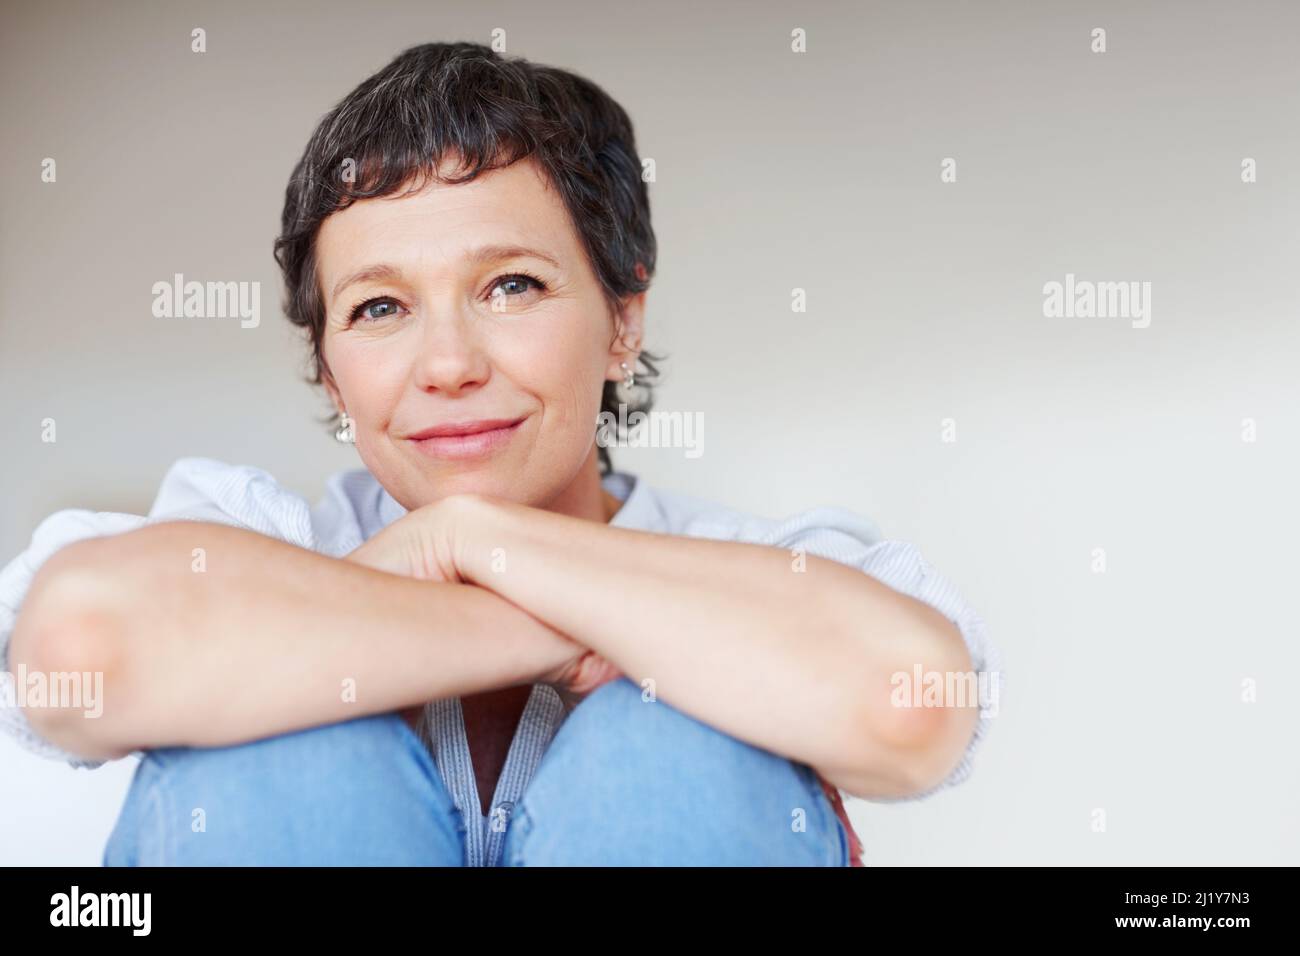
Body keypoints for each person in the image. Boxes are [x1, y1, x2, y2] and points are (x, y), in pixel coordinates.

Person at [0, 41, 1000, 866]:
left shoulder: (761, 571)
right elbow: (80, 653)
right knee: (285, 750)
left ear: (620, 320)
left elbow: (911, 703)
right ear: (329, 370)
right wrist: (539, 614)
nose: (445, 363)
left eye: (511, 285)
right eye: (379, 306)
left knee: (678, 744)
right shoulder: (253, 541)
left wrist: (472, 540)